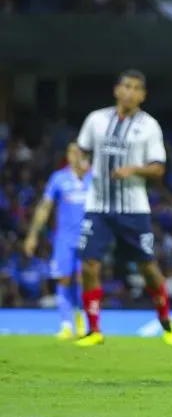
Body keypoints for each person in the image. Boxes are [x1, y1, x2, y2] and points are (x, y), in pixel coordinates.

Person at [73, 70, 172, 347]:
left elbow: (158, 168)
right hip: (97, 205)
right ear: (116, 90)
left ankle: (166, 320)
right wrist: (80, 165)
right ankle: (94, 329)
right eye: (126, 87)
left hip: (134, 209)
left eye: (136, 88)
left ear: (143, 96)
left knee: (147, 266)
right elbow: (80, 149)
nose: (130, 92)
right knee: (88, 264)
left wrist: (133, 169)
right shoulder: (96, 120)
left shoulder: (149, 126)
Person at [23, 144, 90, 339]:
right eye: (70, 152)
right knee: (64, 278)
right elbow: (45, 207)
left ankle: (81, 319)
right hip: (64, 239)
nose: (74, 156)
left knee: (83, 280)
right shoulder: (59, 178)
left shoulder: (93, 178)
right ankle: (66, 324)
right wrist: (33, 235)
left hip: (87, 237)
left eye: (78, 152)